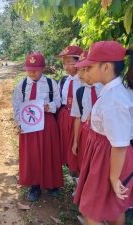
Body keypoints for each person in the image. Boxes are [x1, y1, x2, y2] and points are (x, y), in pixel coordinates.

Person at [74, 41, 133, 225]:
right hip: (105, 156)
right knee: (113, 206)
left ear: (106, 67)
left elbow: (120, 143)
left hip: (110, 160)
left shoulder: (115, 99)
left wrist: (114, 177)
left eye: (90, 67)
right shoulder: (110, 92)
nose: (86, 71)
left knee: (90, 210)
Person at [13, 52, 63, 202]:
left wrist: (51, 106)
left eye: (36, 69)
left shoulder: (50, 83)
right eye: (29, 69)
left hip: (47, 123)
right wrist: (19, 123)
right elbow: (16, 105)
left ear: (43, 68)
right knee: (32, 154)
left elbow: (58, 101)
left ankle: (52, 183)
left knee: (49, 152)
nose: (32, 72)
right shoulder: (21, 86)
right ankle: (34, 185)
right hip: (29, 124)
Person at [71, 51, 103, 172]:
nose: (80, 75)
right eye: (79, 70)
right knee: (85, 163)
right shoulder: (79, 92)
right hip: (86, 132)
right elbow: (78, 117)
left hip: (103, 135)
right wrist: (75, 141)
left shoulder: (105, 89)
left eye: (84, 70)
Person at [57, 45, 83, 175]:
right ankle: (73, 173)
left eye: (69, 63)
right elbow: (59, 100)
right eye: (64, 63)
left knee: (78, 148)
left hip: (79, 120)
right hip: (65, 117)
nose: (66, 67)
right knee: (67, 146)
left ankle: (80, 176)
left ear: (79, 61)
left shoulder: (85, 81)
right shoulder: (63, 81)